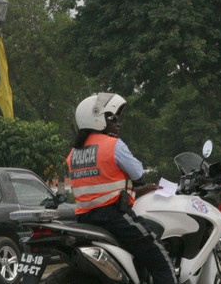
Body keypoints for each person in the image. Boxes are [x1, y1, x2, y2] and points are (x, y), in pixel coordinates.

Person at [66, 92, 177, 283]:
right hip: (114, 217)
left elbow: (98, 186)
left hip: (85, 217)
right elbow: (138, 174)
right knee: (159, 257)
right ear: (98, 119)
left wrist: (137, 192)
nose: (118, 122)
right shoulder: (112, 145)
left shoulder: (74, 153)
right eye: (113, 117)